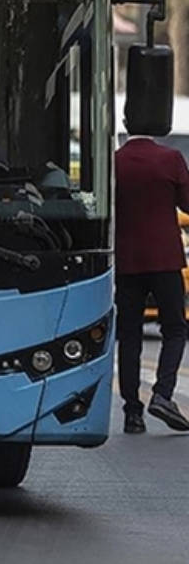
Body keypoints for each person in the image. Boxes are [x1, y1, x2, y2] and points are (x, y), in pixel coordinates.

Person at [115, 126, 189, 434]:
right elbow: (187, 205)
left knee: (129, 335)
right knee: (174, 329)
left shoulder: (114, 161)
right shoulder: (170, 158)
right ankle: (162, 394)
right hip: (165, 260)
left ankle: (133, 412)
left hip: (127, 260)